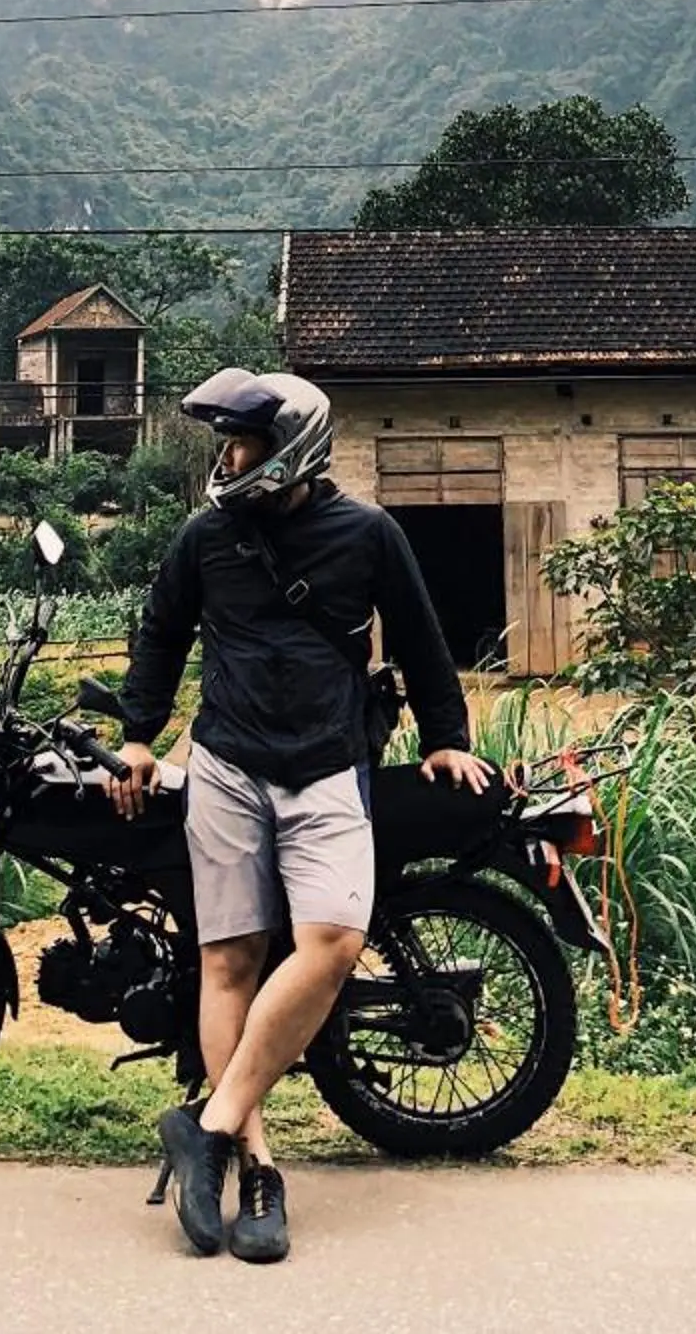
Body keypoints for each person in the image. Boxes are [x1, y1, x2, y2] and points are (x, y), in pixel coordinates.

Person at [107, 366, 493, 1263]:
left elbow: (424, 634)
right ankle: (256, 1164)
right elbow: (160, 634)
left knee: (333, 944)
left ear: (292, 450)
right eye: (228, 441)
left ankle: (204, 1126)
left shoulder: (367, 533)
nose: (229, 455)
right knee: (230, 959)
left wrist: (447, 734)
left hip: (327, 767)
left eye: (241, 442)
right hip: (229, 765)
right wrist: (136, 737)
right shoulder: (206, 537)